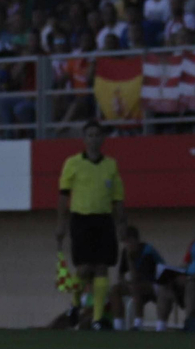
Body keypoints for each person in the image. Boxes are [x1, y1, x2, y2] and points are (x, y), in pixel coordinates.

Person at [56, 120, 126, 331]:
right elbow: (63, 195)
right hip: (81, 219)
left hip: (104, 220)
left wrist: (122, 223)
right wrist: (61, 224)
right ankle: (75, 304)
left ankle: (96, 319)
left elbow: (118, 198)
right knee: (84, 267)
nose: (94, 139)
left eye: (97, 135)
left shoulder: (110, 165)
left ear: (103, 138)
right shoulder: (72, 163)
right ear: (84, 139)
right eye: (90, 135)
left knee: (102, 267)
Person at [109, 226, 165, 331]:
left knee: (135, 287)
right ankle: (118, 326)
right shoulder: (126, 252)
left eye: (129, 241)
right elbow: (120, 275)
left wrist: (130, 260)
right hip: (139, 284)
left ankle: (138, 324)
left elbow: (139, 277)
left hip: (158, 284)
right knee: (114, 289)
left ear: (136, 240)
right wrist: (124, 282)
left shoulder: (147, 252)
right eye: (125, 242)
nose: (127, 244)